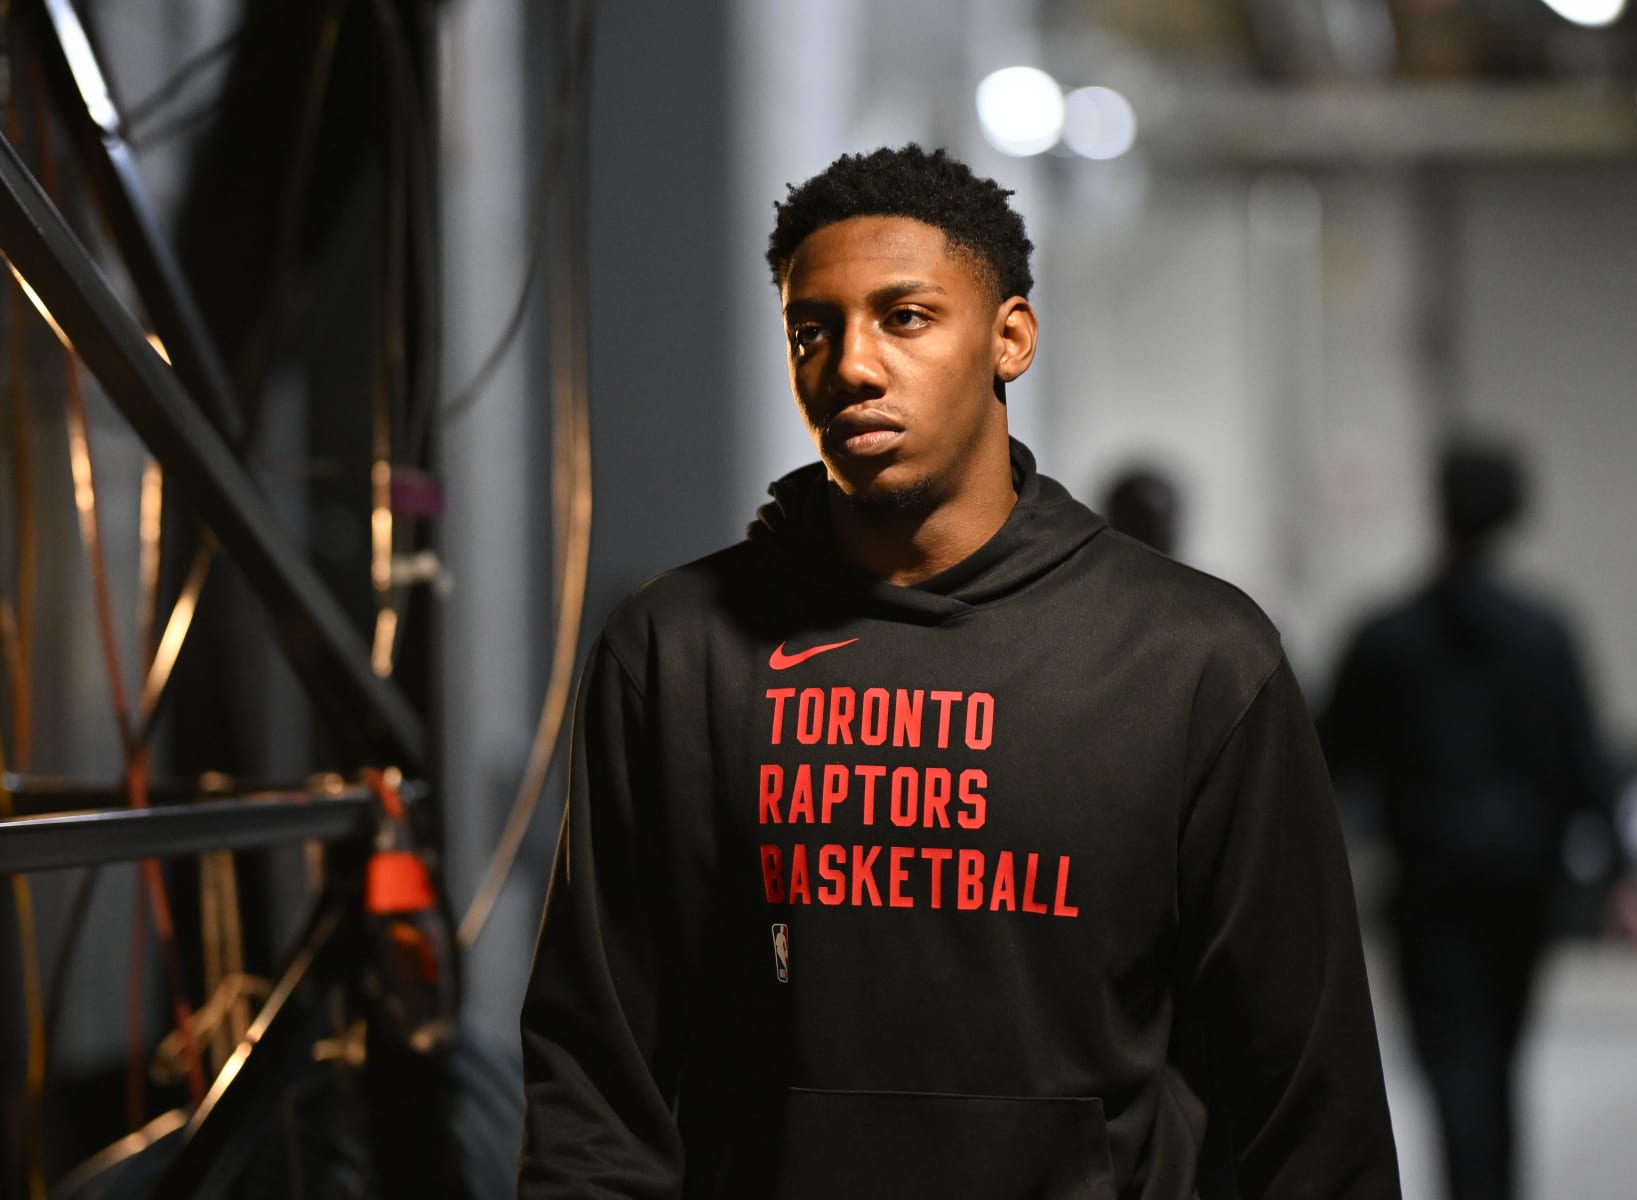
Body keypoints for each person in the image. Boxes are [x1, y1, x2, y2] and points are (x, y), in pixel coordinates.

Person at [518, 144, 1399, 1198]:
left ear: (1009, 338)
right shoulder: (674, 651)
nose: (850, 365)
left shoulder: (1191, 659)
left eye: (905, 316)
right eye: (813, 328)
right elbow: (593, 1076)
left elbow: (1307, 1098)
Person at [1318, 439, 1637, 1200]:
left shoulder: (1388, 637)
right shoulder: (1545, 635)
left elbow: (1322, 760)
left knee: (1453, 1062)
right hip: (1523, 878)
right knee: (1502, 1055)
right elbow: (1585, 760)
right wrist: (1627, 871)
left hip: (1429, 882)